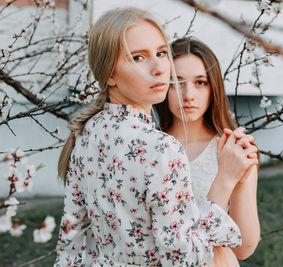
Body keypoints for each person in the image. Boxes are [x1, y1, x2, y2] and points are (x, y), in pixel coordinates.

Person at [54, 7, 259, 267]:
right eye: (138, 58)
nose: (160, 68)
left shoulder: (86, 133)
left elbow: (70, 247)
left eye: (162, 53)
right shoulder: (161, 148)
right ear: (109, 74)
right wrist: (225, 179)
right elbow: (186, 259)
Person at [156, 37, 260, 266]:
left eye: (200, 82)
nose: (188, 95)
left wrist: (238, 178)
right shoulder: (149, 149)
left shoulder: (233, 149)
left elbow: (245, 248)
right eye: (176, 82)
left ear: (214, 87)